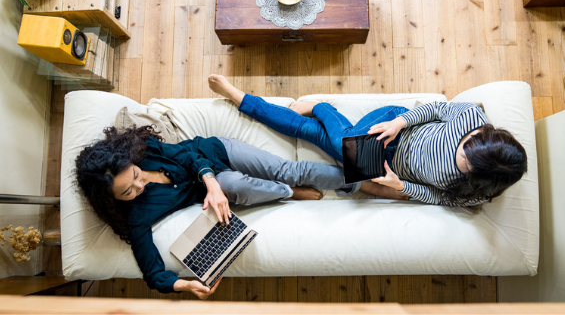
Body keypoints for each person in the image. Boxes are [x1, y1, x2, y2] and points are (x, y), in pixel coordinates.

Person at [74, 125, 360, 299]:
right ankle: (289, 191)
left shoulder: (145, 151)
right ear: (112, 200)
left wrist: (209, 180)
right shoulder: (136, 217)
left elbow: (189, 155)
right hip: (224, 185)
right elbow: (152, 272)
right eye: (128, 191)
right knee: (232, 183)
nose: (140, 184)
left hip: (217, 153)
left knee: (290, 170)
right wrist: (183, 286)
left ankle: (363, 177)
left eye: (136, 175)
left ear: (133, 162)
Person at [207, 74, 528, 208]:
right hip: (394, 126)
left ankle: (239, 97)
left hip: (384, 166)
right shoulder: (472, 118)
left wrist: (399, 185)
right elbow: (435, 109)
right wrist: (399, 121)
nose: (461, 150)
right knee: (344, 139)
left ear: (477, 177)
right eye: (467, 142)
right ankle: (322, 106)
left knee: (311, 132)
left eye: (464, 162)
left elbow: (440, 197)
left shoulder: (475, 193)